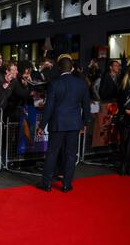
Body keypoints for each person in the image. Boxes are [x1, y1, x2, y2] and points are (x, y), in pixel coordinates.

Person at [36, 54, 90, 193]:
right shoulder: (81, 83)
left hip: (58, 123)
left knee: (52, 153)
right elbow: (86, 105)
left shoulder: (54, 83)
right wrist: (85, 123)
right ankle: (67, 184)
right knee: (71, 154)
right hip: (74, 124)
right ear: (72, 68)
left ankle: (47, 184)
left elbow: (49, 106)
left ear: (60, 68)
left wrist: (42, 125)